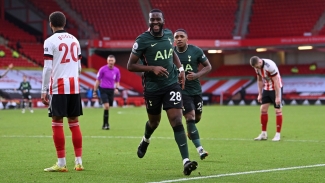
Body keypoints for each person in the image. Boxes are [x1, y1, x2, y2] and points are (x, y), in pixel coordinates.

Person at [127, 9, 198, 176]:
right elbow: (131, 65)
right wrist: (152, 68)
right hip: (152, 88)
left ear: (163, 20)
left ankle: (186, 161)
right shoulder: (142, 40)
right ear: (149, 22)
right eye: (152, 20)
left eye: (158, 20)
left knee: (176, 120)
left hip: (171, 83)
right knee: (154, 122)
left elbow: (171, 52)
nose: (155, 22)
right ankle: (145, 140)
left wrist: (180, 69)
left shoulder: (168, 34)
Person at [41, 11, 84, 172]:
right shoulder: (75, 40)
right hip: (74, 86)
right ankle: (79, 162)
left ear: (50, 24)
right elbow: (79, 67)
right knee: (74, 123)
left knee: (57, 122)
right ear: (64, 23)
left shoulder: (49, 41)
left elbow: (47, 68)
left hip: (59, 87)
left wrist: (44, 90)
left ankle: (61, 163)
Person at [174, 29, 211, 160]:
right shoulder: (171, 54)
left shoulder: (196, 50)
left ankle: (191, 131)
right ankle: (200, 149)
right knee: (190, 116)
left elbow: (208, 66)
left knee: (197, 118)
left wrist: (196, 75)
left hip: (196, 90)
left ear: (187, 39)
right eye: (176, 37)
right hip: (181, 90)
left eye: (181, 36)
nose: (179, 39)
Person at [250, 56, 283, 142]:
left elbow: (276, 81)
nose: (256, 68)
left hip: (276, 88)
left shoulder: (270, 66)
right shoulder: (256, 67)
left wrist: (278, 97)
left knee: (277, 110)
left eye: (257, 66)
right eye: (255, 67)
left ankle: (277, 135)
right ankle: (264, 134)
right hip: (267, 88)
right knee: (263, 109)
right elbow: (260, 80)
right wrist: (260, 94)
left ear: (260, 62)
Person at [93, 55, 120, 130]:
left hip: (111, 90)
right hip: (103, 89)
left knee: (108, 108)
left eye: (112, 61)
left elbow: (117, 81)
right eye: (109, 61)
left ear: (114, 61)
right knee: (107, 106)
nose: (110, 62)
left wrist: (117, 88)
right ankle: (106, 124)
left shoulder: (116, 70)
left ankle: (105, 124)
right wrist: (95, 91)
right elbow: (98, 80)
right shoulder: (102, 69)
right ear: (107, 61)